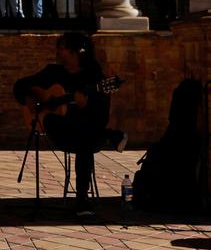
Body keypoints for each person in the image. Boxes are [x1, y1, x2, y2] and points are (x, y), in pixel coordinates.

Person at [12, 32, 126, 217]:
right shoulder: (53, 72)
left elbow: (100, 117)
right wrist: (28, 99)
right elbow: (19, 86)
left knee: (85, 139)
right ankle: (111, 136)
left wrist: (83, 107)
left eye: (63, 48)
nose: (58, 51)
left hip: (85, 133)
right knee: (51, 120)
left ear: (75, 52)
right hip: (61, 132)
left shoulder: (95, 77)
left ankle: (82, 200)